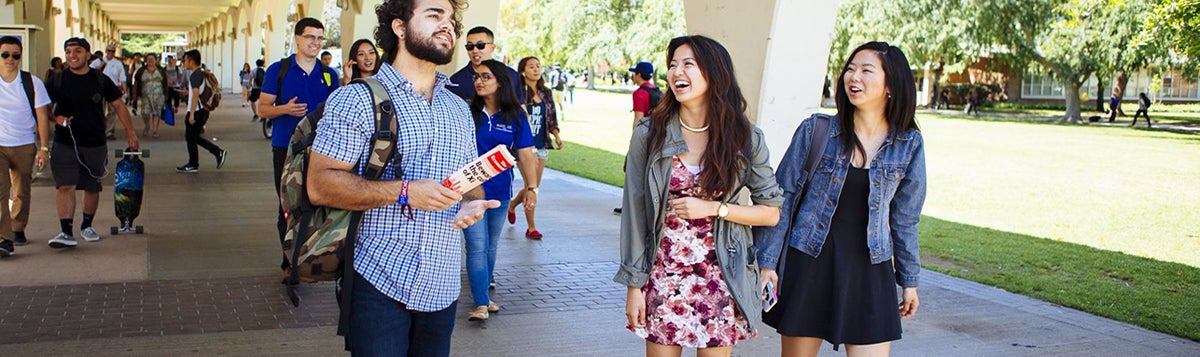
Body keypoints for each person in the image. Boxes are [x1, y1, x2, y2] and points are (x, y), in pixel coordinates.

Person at [306, 0, 496, 354]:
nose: (448, 27)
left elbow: (469, 182)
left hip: (442, 285)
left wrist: (472, 203)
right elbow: (320, 184)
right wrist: (406, 191)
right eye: (434, 15)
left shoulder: (457, 107)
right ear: (399, 27)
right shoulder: (355, 99)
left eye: (452, 20)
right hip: (379, 280)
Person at [615, 35, 783, 356]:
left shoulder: (745, 138)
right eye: (673, 65)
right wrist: (634, 286)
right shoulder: (649, 135)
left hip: (721, 274)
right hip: (663, 271)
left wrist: (714, 208)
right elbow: (635, 215)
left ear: (714, 73)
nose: (678, 72)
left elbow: (770, 212)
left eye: (689, 64)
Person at [756, 41, 926, 356]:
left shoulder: (909, 144)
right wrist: (768, 264)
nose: (853, 77)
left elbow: (905, 218)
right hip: (808, 262)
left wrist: (909, 279)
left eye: (866, 71)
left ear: (891, 84)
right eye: (850, 69)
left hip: (870, 269)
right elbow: (783, 198)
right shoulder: (816, 130)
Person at [257, 17, 340, 275]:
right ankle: (288, 263)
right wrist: (285, 109)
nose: (315, 42)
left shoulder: (329, 74)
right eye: (310, 37)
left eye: (319, 37)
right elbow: (262, 108)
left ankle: (312, 257)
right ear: (297, 39)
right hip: (287, 149)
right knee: (287, 205)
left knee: (317, 203)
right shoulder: (278, 70)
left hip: (321, 149)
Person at [462, 59, 541, 321]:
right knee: (476, 246)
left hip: (500, 191)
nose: (479, 81)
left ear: (500, 82)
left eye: (486, 77)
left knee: (490, 246)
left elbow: (525, 154)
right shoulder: (466, 113)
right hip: (470, 194)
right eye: (477, 77)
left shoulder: (516, 116)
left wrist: (531, 188)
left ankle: (484, 297)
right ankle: (481, 303)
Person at [45, 37, 140, 249]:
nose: (72, 55)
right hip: (65, 141)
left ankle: (87, 225)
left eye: (77, 51)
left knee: (91, 186)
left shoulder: (100, 80)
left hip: (95, 141)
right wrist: (56, 119)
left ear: (88, 55)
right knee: (65, 185)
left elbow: (118, 105)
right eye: (68, 51)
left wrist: (131, 133)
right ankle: (66, 231)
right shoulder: (57, 81)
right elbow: (43, 109)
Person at [0, 36, 53, 256]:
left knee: (22, 190)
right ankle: (5, 238)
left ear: (21, 56)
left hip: (24, 144)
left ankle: (17, 227)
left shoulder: (32, 82)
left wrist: (43, 148)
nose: (10, 59)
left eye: (15, 55)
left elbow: (42, 116)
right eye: (5, 54)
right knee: (1, 192)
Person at [507, 56, 562, 239]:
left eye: (538, 66)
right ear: (522, 71)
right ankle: (531, 227)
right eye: (531, 67)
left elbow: (551, 116)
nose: (536, 70)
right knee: (531, 186)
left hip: (542, 143)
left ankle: (512, 205)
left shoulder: (546, 92)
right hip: (524, 146)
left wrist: (556, 135)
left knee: (534, 185)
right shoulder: (519, 93)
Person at [174, 49, 227, 173]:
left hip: (197, 111)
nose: (184, 62)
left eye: (185, 60)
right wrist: (188, 92)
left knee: (191, 138)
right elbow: (196, 92)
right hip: (202, 111)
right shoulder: (201, 73)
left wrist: (191, 113)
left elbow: (196, 94)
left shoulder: (195, 75)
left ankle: (194, 163)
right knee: (194, 137)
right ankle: (216, 152)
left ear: (191, 61)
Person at [447, 26, 523, 103]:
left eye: (480, 45)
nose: (475, 50)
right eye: (470, 46)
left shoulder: (511, 75)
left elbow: (521, 108)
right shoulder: (455, 82)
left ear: (492, 47)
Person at [132, 53, 168, 138]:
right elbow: (136, 82)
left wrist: (166, 94)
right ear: (146, 60)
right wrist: (134, 94)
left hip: (159, 95)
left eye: (152, 59)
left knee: (157, 112)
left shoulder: (161, 70)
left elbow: (165, 83)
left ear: (156, 60)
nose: (150, 60)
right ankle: (147, 125)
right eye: (148, 59)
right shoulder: (141, 70)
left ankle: (155, 130)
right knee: (145, 112)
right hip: (145, 95)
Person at [101, 44, 127, 140]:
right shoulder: (99, 62)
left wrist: (125, 90)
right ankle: (100, 129)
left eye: (113, 51)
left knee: (112, 111)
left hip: (113, 88)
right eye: (109, 51)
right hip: (99, 89)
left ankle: (109, 131)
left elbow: (122, 78)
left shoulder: (118, 64)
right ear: (106, 51)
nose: (111, 53)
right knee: (99, 110)